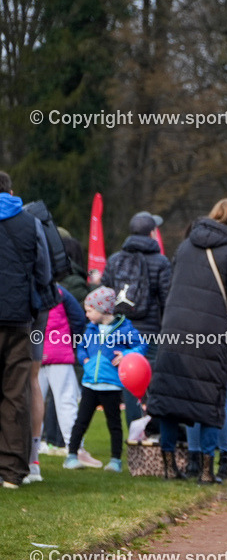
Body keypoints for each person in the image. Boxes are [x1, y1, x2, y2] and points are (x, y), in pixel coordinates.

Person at [148, 199, 227, 483]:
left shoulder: (185, 245)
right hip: (209, 331)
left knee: (169, 397)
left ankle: (170, 467)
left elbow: (171, 285)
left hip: (175, 327)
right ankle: (207, 471)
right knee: (210, 399)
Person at [0, 172, 52, 489]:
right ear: (12, 191)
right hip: (20, 319)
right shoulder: (30, 222)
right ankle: (11, 472)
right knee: (15, 393)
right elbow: (44, 271)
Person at [63, 287, 146, 472]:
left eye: (89, 310)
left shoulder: (125, 328)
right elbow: (82, 347)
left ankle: (115, 461)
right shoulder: (90, 328)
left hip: (111, 386)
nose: (86, 314)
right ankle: (71, 456)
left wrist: (126, 354)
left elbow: (141, 345)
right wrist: (84, 359)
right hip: (90, 384)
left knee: (114, 424)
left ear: (103, 310)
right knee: (81, 422)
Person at [101, 211, 172, 425]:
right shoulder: (160, 262)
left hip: (122, 331)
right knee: (154, 382)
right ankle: (153, 431)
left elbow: (104, 295)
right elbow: (166, 299)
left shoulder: (114, 260)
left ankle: (134, 431)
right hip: (150, 333)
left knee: (129, 382)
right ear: (152, 233)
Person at [35, 285, 87, 476]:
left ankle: (31, 453)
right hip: (59, 349)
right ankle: (75, 448)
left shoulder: (23, 286)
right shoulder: (59, 291)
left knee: (33, 403)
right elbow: (78, 318)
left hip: (34, 351)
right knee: (67, 401)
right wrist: (69, 341)